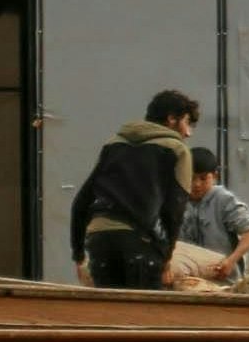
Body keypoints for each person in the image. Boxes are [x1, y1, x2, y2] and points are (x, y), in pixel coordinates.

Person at [67, 90, 196, 288]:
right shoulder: (176, 149)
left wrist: (78, 253)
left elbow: (82, 200)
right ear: (172, 119)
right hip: (140, 241)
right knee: (145, 313)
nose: (188, 133)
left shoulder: (113, 144)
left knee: (110, 311)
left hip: (99, 239)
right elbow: (174, 209)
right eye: (187, 122)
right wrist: (167, 256)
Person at [174, 148, 249, 280]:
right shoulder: (176, 202)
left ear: (214, 176)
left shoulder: (224, 200)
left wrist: (231, 261)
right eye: (191, 178)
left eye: (203, 178)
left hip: (223, 278)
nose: (196, 184)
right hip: (187, 278)